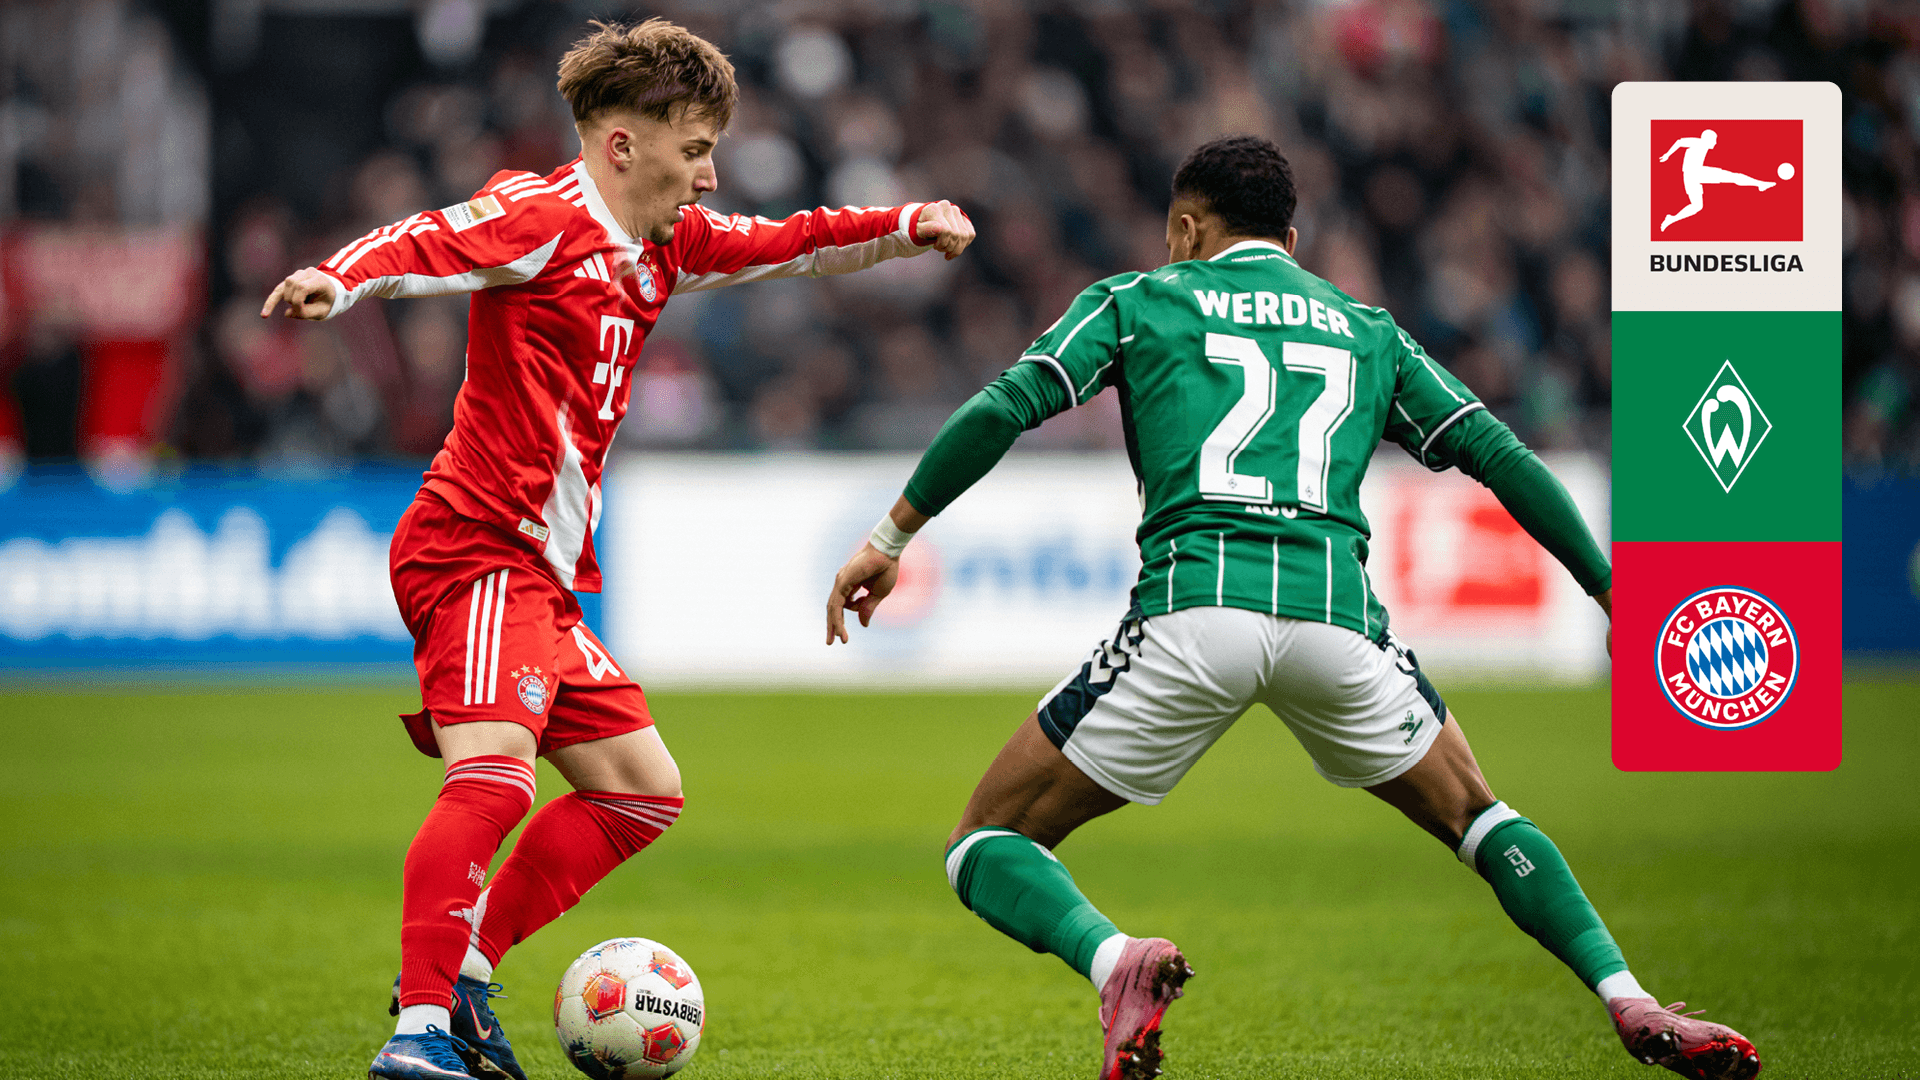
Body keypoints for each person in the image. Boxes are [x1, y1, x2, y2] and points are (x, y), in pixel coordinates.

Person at [825, 135, 1759, 1080]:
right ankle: (1628, 998)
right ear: (1292, 239)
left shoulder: (1135, 300)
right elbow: (1500, 454)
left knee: (985, 843)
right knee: (1479, 818)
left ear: (1186, 228)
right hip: (1337, 623)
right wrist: (1609, 588)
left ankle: (1116, 963)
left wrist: (891, 539)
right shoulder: (1369, 329)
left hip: (1196, 609)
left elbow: (1003, 407)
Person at [262, 19, 973, 1080]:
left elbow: (792, 241)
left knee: (642, 788)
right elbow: (425, 240)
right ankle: (418, 1034)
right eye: (696, 150)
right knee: (494, 780)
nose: (710, 174)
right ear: (624, 144)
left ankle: (464, 968)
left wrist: (907, 223)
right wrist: (337, 279)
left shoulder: (664, 244)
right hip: (476, 545)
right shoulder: (541, 215)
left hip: (539, 575)